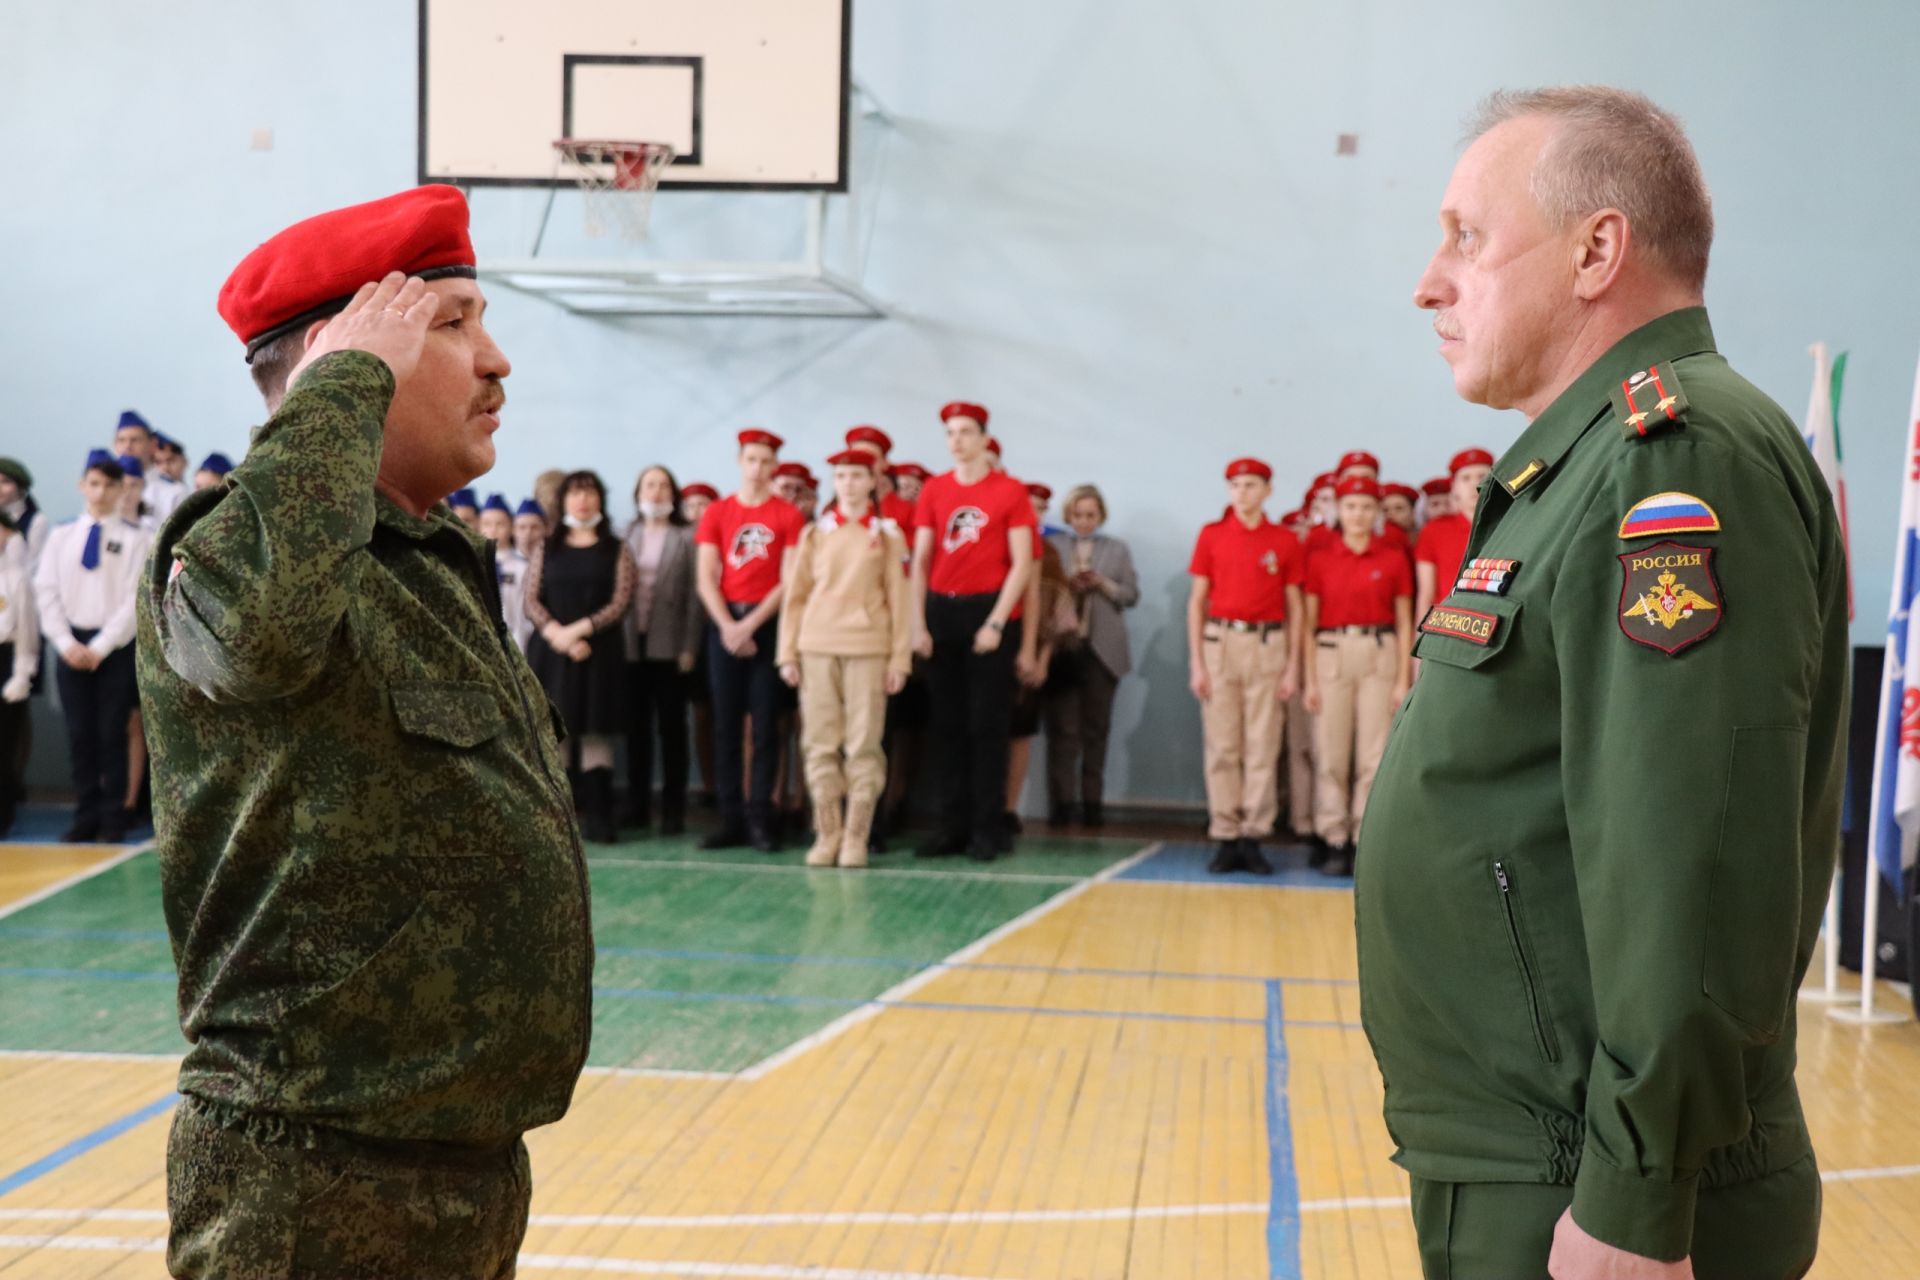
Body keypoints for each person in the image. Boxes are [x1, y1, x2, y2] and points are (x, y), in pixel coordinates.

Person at [1360, 88, 1846, 1280]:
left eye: (1466, 237)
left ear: (1598, 250)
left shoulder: (1670, 459)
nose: (1429, 281)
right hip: (1536, 1156)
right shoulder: (1583, 466)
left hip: (1596, 1189)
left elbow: (1690, 850)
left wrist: (1635, 1196)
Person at [140, 186, 591, 1277]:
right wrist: (343, 382)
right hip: (312, 1169)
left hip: (461, 1165)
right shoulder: (231, 547)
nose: (497, 361)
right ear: (340, 358)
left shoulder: (428, 559)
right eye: (452, 322)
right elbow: (257, 636)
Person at [910, 401, 1036, 861]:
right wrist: (917, 622)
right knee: (947, 727)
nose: (957, 440)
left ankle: (988, 827)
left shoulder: (1010, 492)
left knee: (987, 726)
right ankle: (951, 826)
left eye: (965, 431)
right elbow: (921, 562)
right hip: (943, 611)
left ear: (985, 439)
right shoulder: (934, 491)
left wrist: (998, 622)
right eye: (950, 432)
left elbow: (1022, 564)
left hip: (990, 611)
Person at [777, 449, 912, 867]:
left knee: (864, 744)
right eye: (841, 476)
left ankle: (857, 835)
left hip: (868, 647)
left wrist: (899, 659)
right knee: (818, 742)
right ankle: (828, 833)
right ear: (833, 483)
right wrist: (787, 651)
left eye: (857, 475)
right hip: (816, 645)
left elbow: (900, 600)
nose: (849, 483)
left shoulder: (887, 536)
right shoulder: (814, 534)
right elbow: (795, 597)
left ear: (872, 482)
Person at [1186, 458, 1302, 875]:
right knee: (1222, 746)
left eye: (1251, 485)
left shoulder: (1284, 540)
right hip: (1221, 643)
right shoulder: (1212, 535)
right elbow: (1197, 602)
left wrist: (1293, 667)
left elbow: (1295, 606)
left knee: (1262, 744)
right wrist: (1197, 662)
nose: (1242, 492)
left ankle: (1254, 834)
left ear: (1267, 490)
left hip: (1268, 644)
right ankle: (1225, 833)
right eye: (1236, 485)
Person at [695, 430, 807, 851]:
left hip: (767, 625)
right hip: (724, 625)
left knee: (765, 728)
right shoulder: (719, 513)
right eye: (752, 460)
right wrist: (728, 626)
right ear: (740, 461)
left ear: (774, 467)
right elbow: (706, 577)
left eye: (766, 461)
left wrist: (751, 625)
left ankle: (762, 815)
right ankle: (730, 818)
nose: (758, 469)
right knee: (725, 725)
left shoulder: (788, 516)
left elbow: (789, 579)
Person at [35, 451, 148, 843]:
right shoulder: (61, 536)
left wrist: (99, 647)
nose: (100, 492)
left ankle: (112, 817)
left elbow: (134, 601)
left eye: (109, 485)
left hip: (113, 649)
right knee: (79, 735)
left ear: (121, 490)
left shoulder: (137, 539)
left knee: (111, 734)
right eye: (94, 483)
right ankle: (85, 815)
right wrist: (66, 642)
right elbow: (46, 591)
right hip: (70, 647)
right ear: (83, 486)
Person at [1302, 475, 1411, 877]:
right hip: (1331, 654)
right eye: (1350, 506)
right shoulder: (1322, 558)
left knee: (1373, 754)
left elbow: (1403, 622)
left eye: (1366, 507)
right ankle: (1333, 835)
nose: (1358, 514)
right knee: (1331, 752)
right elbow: (1308, 624)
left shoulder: (1392, 557)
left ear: (1377, 513)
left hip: (1378, 655)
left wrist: (1402, 679)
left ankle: (1364, 839)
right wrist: (1310, 679)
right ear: (1338, 511)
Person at [524, 470, 635, 843]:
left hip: (598, 651)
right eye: (575, 493)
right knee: (559, 735)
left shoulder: (616, 548)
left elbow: (620, 601)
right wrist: (558, 634)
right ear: (563, 500)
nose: (582, 500)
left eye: (590, 493)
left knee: (595, 731)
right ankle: (560, 821)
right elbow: (532, 599)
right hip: (553, 651)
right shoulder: (547, 546)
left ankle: (600, 816)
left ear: (600, 500)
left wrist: (580, 630)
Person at [1044, 484, 1137, 827]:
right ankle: (1062, 804)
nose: (1083, 521)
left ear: (1100, 517)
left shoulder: (1117, 549)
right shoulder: (1054, 546)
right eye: (1078, 515)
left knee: (1096, 729)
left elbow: (1130, 594)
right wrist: (1070, 583)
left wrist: (1103, 584)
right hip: (1065, 647)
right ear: (1068, 516)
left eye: (1090, 515)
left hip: (1103, 650)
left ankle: (1093, 804)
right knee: (1063, 730)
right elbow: (1045, 590)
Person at [621, 464, 701, 834]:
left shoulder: (687, 537)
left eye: (663, 485)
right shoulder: (625, 534)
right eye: (649, 485)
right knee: (635, 730)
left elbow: (694, 600)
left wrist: (689, 646)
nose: (656, 492)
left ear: (674, 493)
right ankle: (637, 805)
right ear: (638, 493)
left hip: (671, 648)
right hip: (629, 648)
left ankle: (673, 810)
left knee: (672, 731)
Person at [1006, 488, 1071, 834]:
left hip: (1028, 654)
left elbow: (1056, 614)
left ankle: (1009, 808)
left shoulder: (1049, 554)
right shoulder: (993, 546)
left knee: (1020, 730)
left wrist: (1042, 658)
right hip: (992, 645)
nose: (1035, 515)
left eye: (1041, 510)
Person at [1412, 447, 1494, 621]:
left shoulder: (1509, 523)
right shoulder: (1434, 531)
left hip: (1497, 623)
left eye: (1482, 476)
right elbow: (1426, 595)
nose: (1474, 484)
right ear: (1454, 487)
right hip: (1448, 626)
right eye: (1466, 478)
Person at [678, 482, 720, 805]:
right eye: (690, 506)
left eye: (703, 505)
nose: (696, 512)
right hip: (687, 639)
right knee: (700, 715)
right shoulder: (678, 543)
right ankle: (707, 784)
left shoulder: (722, 542)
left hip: (718, 632)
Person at [0, 511, 39, 837]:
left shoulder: (16, 576)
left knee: (4, 745)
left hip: (6, 659)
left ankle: (4, 813)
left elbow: (27, 630)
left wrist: (22, 674)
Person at [115, 411, 186, 525]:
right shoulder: (107, 488)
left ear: (152, 444)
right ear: (115, 445)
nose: (127, 446)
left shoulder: (174, 492)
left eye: (135, 440)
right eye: (121, 440)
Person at [505, 497, 545, 652]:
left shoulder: (551, 567)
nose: (528, 533)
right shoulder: (503, 566)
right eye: (522, 527)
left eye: (534, 527)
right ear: (513, 530)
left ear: (545, 529)